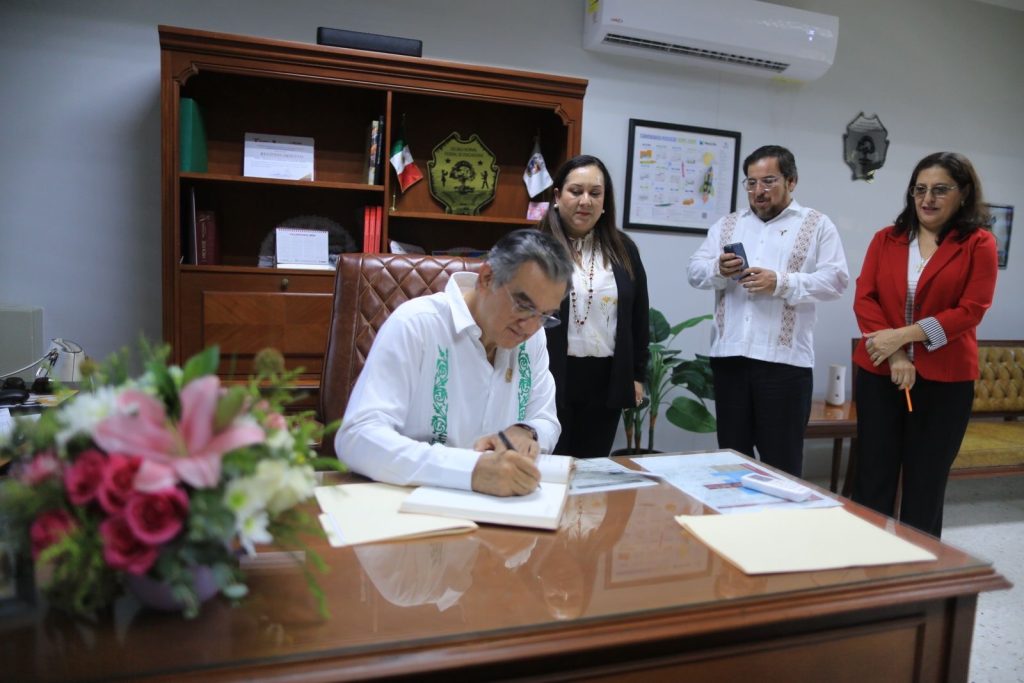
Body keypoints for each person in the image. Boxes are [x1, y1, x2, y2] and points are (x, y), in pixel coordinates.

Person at [334, 229, 574, 496]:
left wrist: (526, 431)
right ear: (487, 278)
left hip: (500, 507)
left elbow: (545, 419)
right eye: (523, 306)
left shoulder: (534, 338)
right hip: (411, 504)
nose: (530, 327)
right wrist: (471, 470)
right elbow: (357, 438)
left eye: (544, 315)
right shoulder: (416, 325)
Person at [851, 152, 998, 538]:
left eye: (940, 190)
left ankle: (919, 566)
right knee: (873, 475)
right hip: (880, 373)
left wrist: (905, 335)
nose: (927, 199)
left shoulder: (979, 244)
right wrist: (895, 353)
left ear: (963, 193)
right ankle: (864, 556)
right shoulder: (886, 239)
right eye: (919, 189)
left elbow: (971, 309)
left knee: (926, 482)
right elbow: (865, 299)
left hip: (945, 382)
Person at [686, 145, 849, 476]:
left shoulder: (817, 225)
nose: (758, 191)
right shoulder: (727, 225)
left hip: (784, 365)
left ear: (792, 181)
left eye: (768, 181)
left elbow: (836, 281)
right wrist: (719, 268)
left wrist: (781, 282)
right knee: (732, 460)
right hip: (730, 360)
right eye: (751, 182)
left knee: (781, 464)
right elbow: (694, 271)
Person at [539, 155, 649, 458]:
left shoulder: (623, 248)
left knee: (592, 468)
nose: (585, 201)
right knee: (551, 465)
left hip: (606, 379)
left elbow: (638, 316)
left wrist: (637, 375)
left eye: (595, 193)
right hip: (549, 374)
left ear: (604, 202)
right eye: (576, 191)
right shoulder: (536, 245)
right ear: (557, 196)